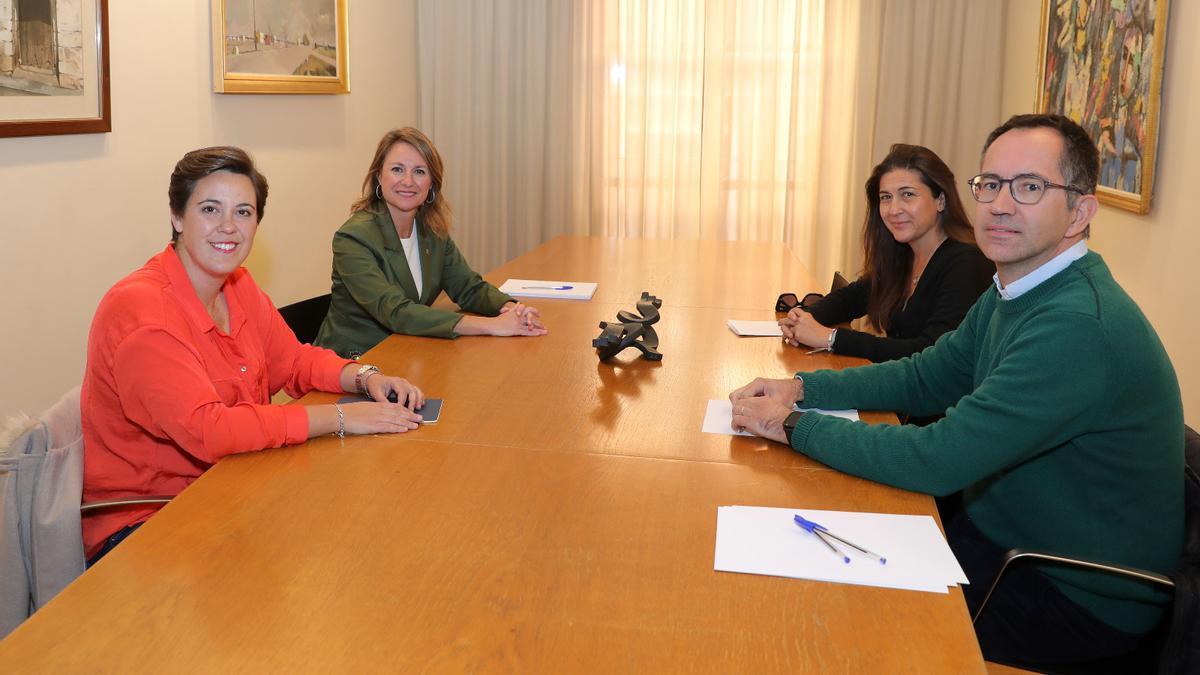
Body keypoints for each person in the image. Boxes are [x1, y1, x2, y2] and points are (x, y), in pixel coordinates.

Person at [730, 114, 1182, 666]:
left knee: (828, 630)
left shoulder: (1079, 325)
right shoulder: (1014, 287)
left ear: (1080, 211)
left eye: (1030, 187)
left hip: (1069, 596)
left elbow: (938, 458)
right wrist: (800, 388)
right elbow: (926, 375)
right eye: (990, 184)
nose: (1000, 204)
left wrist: (790, 423)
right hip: (998, 536)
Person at [82, 147, 427, 564]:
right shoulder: (143, 312)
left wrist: (364, 378)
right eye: (210, 209)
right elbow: (211, 431)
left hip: (233, 485)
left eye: (243, 213)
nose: (228, 227)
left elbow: (294, 362)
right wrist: (340, 418)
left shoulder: (236, 285)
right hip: (148, 521)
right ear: (177, 216)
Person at [315, 127, 547, 358]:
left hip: (408, 351)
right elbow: (396, 312)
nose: (408, 181)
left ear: (431, 184)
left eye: (419, 171)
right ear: (379, 176)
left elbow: (468, 288)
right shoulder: (354, 238)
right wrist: (491, 326)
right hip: (355, 362)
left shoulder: (432, 231)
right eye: (397, 169)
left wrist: (511, 309)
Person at [779, 144, 993, 362]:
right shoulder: (903, 252)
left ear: (941, 200)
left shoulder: (968, 262)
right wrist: (804, 319)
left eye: (908, 195)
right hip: (901, 385)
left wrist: (831, 338)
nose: (893, 209)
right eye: (885, 197)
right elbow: (850, 298)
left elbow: (930, 354)